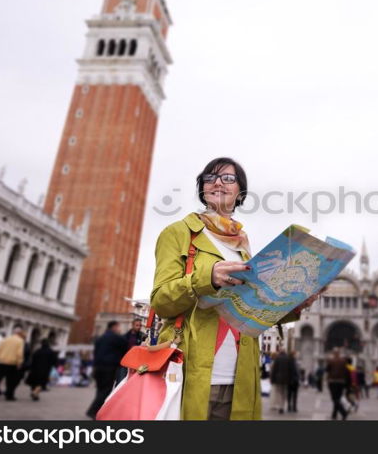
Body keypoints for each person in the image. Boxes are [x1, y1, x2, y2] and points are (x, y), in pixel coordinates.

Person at [150, 158, 319, 420]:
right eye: (210, 177)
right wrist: (207, 277)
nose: (218, 182)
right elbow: (161, 301)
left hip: (241, 377)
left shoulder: (242, 245)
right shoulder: (178, 233)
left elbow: (252, 309)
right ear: (202, 187)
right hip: (191, 374)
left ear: (240, 191)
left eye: (228, 178)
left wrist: (297, 302)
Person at [86, 321, 129, 419]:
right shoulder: (115, 337)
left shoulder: (100, 338)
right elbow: (125, 344)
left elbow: (96, 352)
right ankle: (93, 410)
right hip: (109, 367)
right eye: (118, 327)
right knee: (106, 390)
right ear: (114, 327)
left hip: (98, 367)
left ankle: (97, 410)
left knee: (100, 389)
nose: (120, 329)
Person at [0, 326, 26, 401]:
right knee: (10, 380)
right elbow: (19, 353)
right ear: (19, 333)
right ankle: (8, 396)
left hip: (2, 361)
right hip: (12, 363)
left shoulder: (6, 339)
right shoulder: (20, 341)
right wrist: (19, 363)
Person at [326, 349, 349, 420]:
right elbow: (346, 372)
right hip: (341, 382)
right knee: (338, 398)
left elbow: (327, 370)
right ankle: (334, 414)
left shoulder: (331, 361)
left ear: (334, 353)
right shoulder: (344, 361)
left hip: (333, 382)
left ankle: (343, 412)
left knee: (334, 399)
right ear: (339, 353)